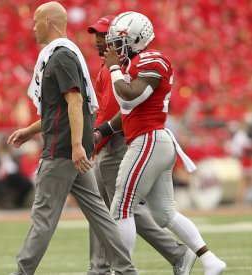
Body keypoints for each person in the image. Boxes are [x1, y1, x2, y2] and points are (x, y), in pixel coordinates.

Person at [8, 2, 137, 275]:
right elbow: (60, 108)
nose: (33, 27)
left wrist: (77, 145)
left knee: (43, 217)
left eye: (36, 21)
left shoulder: (60, 56)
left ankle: (22, 272)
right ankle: (126, 271)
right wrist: (31, 130)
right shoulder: (66, 55)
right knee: (100, 216)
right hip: (72, 149)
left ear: (49, 23)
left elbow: (75, 101)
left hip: (62, 150)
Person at [101, 11, 226, 275]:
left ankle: (121, 271)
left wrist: (113, 68)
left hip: (149, 141)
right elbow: (127, 114)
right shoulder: (136, 63)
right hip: (154, 141)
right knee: (165, 214)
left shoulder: (150, 60)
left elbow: (128, 99)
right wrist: (102, 131)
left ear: (136, 39)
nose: (114, 48)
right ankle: (210, 260)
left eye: (119, 41)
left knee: (121, 207)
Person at [87, 15, 196, 275]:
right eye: (97, 35)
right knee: (103, 211)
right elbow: (103, 111)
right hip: (106, 144)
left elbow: (122, 112)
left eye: (104, 35)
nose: (99, 41)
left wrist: (98, 136)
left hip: (117, 145)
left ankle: (176, 252)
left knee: (123, 209)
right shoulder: (107, 69)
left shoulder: (120, 70)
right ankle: (100, 267)